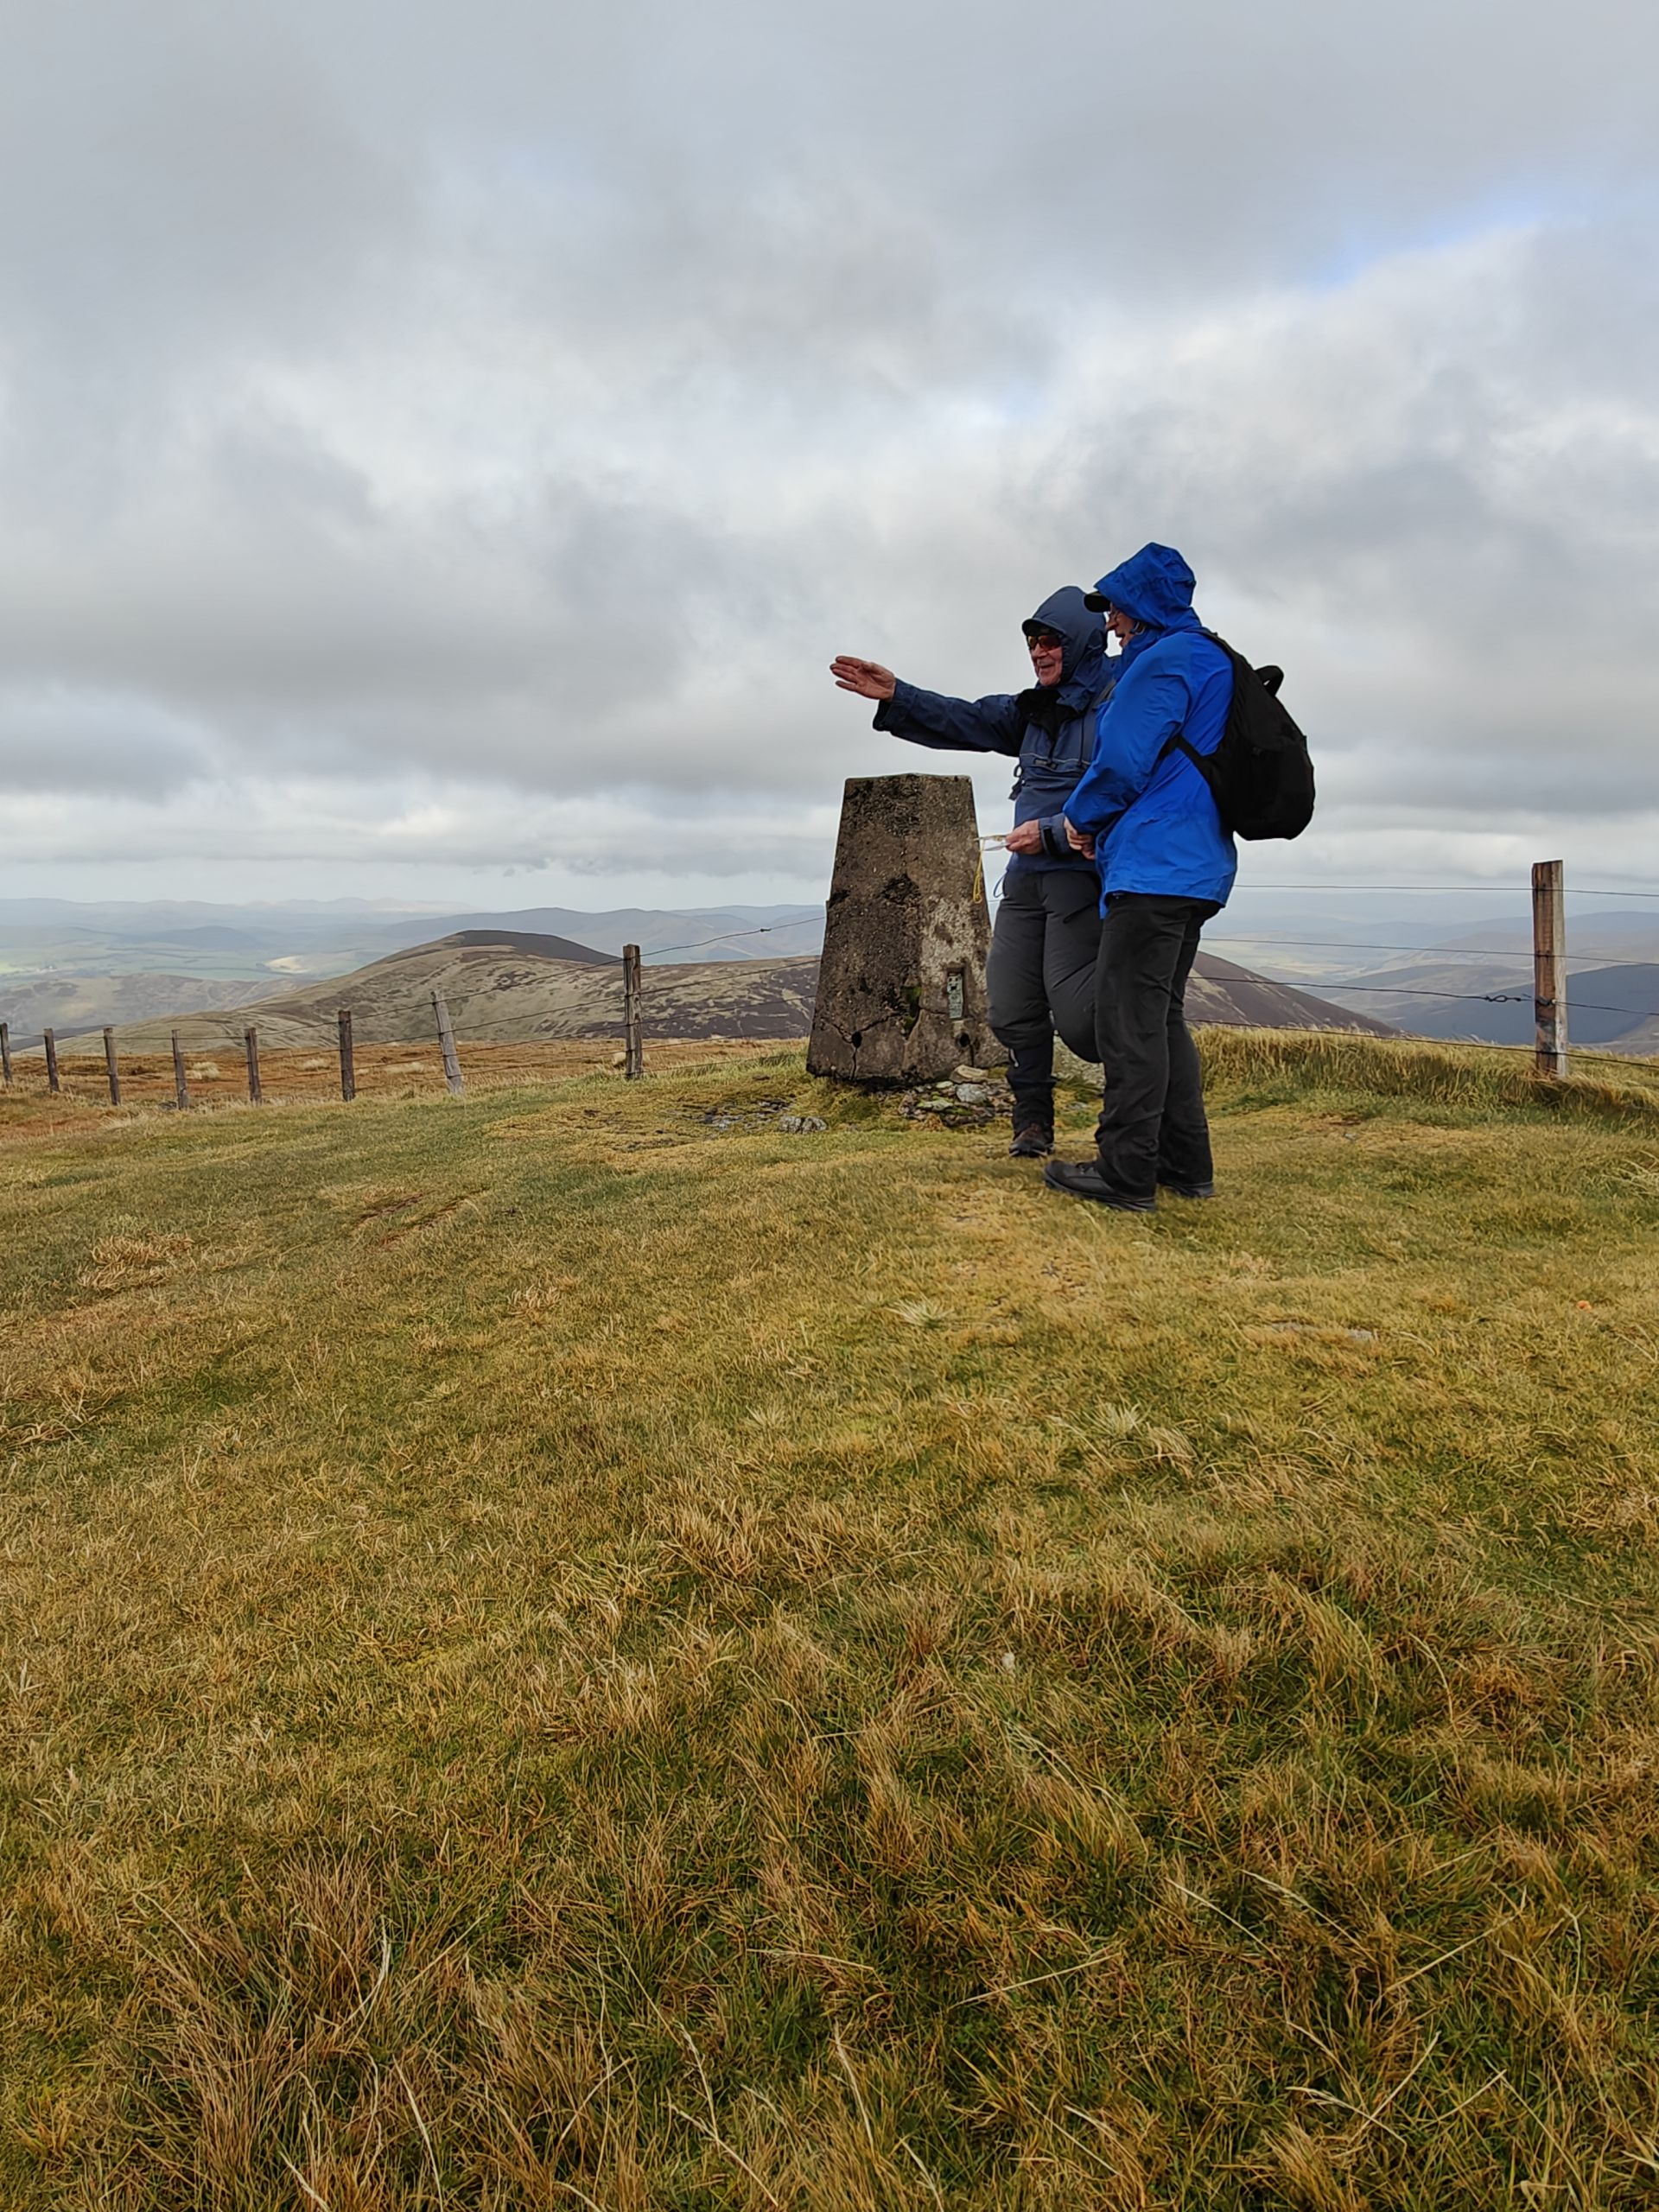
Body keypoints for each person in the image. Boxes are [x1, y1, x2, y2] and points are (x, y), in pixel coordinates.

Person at [830, 587, 1115, 1155]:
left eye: (1051, 639)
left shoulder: (1120, 705)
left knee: (1084, 1021)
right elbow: (966, 718)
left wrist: (1054, 831)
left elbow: (1129, 793)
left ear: (1084, 640)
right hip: (1026, 883)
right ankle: (1032, 1125)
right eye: (1033, 641)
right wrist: (899, 695)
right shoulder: (1033, 710)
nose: (1039, 651)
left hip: (1083, 882)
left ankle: (1136, 1106)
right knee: (1010, 1008)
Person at [1041, 543, 1236, 1211]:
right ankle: (1186, 1165)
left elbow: (1121, 763)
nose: (1112, 623)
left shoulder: (1161, 663)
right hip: (1199, 865)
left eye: (1117, 609)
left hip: (1155, 865)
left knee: (1128, 1022)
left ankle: (1124, 1173)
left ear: (1143, 605)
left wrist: (1078, 821)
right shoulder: (1211, 658)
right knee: (1161, 1018)